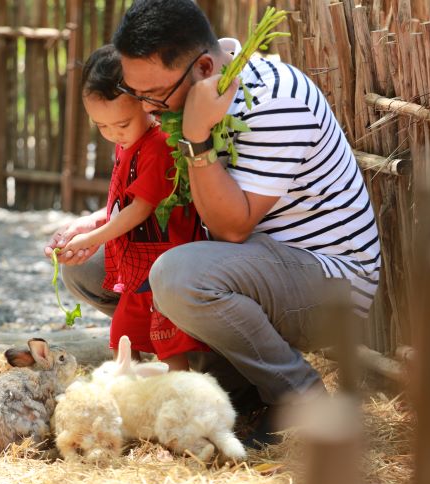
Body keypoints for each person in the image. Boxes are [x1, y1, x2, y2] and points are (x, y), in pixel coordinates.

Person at [45, 0, 380, 446]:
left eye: (154, 96)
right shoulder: (197, 91)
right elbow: (164, 202)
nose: (147, 109)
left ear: (204, 67)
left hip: (326, 280)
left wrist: (196, 140)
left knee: (176, 276)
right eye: (137, 93)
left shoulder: (272, 99)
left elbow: (231, 229)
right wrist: (92, 226)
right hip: (250, 268)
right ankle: (229, 382)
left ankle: (298, 395)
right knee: (90, 268)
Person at [61, 44, 210, 371]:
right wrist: (88, 224)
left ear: (145, 103)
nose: (114, 134)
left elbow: (139, 210)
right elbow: (121, 202)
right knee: (122, 336)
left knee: (168, 341)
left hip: (163, 262)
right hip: (137, 266)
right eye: (101, 126)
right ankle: (126, 392)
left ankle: (182, 399)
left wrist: (91, 239)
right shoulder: (127, 142)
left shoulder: (157, 147)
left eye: (122, 124)